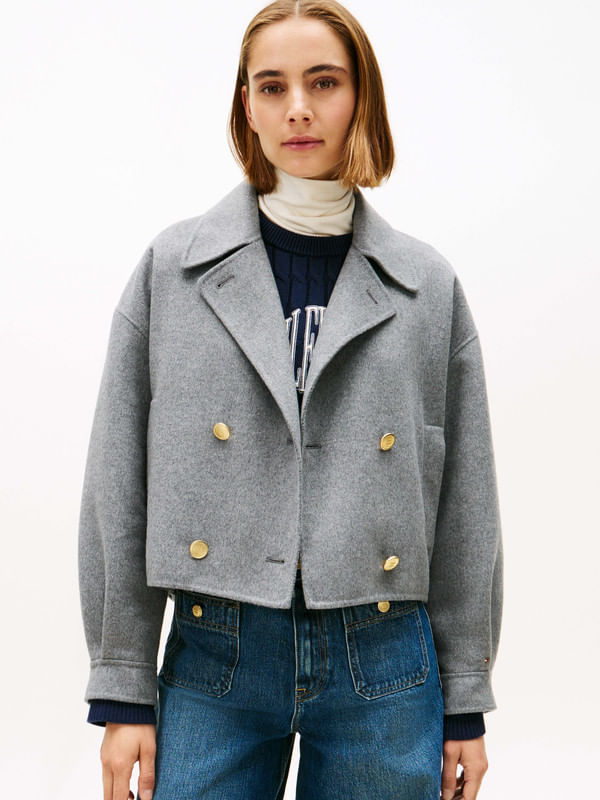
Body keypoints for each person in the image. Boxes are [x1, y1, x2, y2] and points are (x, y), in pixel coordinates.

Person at [78, 2, 503, 799]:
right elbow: (117, 480)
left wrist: (465, 700)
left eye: (324, 82)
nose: (298, 108)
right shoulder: (173, 271)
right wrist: (122, 683)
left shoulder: (426, 286)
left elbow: (467, 506)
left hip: (386, 657)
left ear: (361, 96)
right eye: (272, 86)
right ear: (247, 104)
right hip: (215, 649)